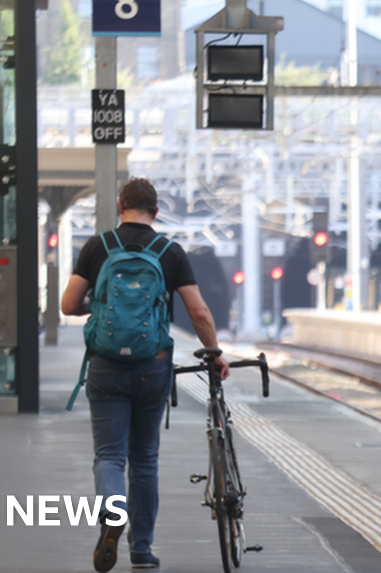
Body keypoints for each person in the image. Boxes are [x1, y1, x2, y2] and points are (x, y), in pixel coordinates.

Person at [61, 177, 230, 571]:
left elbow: (69, 305)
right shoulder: (170, 252)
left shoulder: (97, 246)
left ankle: (111, 515)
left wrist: (102, 307)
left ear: (121, 206)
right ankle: (142, 549)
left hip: (104, 365)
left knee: (109, 455)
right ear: (155, 212)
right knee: (145, 459)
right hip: (152, 367)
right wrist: (215, 354)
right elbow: (199, 312)